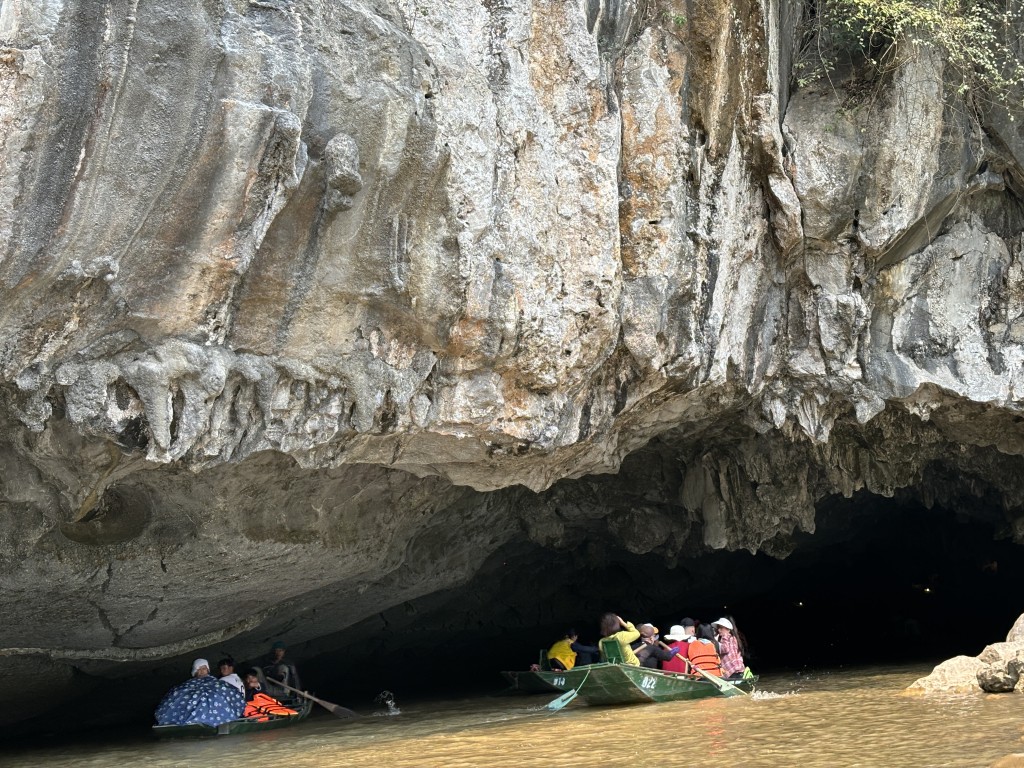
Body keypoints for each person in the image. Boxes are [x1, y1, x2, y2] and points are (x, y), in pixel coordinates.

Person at [154, 658, 245, 727]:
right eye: (199, 669)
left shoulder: (218, 682)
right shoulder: (187, 685)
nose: (201, 671)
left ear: (207, 670)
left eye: (204, 668)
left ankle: (212, 720)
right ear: (195, 671)